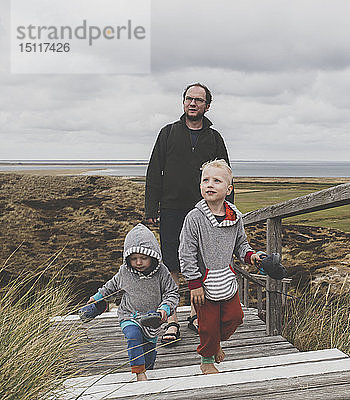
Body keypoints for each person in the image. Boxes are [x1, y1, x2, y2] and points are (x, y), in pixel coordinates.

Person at [144, 83, 234, 345]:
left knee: (201, 262)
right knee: (172, 264)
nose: (192, 103)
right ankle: (171, 320)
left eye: (198, 100)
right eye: (188, 99)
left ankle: (196, 314)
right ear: (183, 102)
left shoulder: (214, 138)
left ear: (207, 105)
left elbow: (225, 174)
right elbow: (154, 171)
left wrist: (227, 209)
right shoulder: (168, 133)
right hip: (171, 208)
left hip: (204, 211)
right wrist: (152, 207)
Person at [178, 159, 262, 374]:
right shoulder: (194, 218)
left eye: (217, 180)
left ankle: (215, 343)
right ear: (200, 186)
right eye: (205, 180)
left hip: (227, 279)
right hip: (203, 284)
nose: (210, 184)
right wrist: (194, 283)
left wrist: (251, 256)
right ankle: (206, 359)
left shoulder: (235, 217)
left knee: (235, 317)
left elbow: (240, 244)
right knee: (207, 325)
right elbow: (186, 252)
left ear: (229, 189)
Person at [83, 223, 180, 381]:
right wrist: (98, 297)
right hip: (129, 315)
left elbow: (172, 292)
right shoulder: (125, 271)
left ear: (153, 255)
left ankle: (146, 370)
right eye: (134, 258)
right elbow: (111, 286)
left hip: (152, 319)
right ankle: (139, 373)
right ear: (128, 258)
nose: (139, 262)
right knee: (133, 336)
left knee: (149, 354)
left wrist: (165, 308)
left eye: (143, 258)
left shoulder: (162, 272)